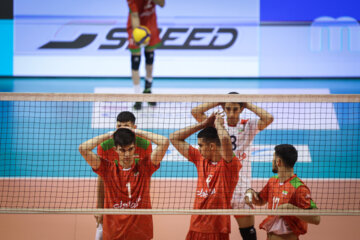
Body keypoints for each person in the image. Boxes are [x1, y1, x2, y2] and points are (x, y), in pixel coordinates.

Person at [191, 92, 274, 240]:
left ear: (241, 109)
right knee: (214, 230)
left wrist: (246, 103)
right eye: (228, 108)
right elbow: (195, 112)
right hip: (220, 185)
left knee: (248, 232)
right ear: (224, 108)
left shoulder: (249, 125)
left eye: (235, 109)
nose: (231, 113)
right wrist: (219, 101)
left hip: (241, 186)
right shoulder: (217, 124)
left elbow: (269, 118)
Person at [79, 127, 169, 240]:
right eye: (122, 150)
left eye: (130, 149)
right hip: (114, 235)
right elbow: (83, 148)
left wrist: (135, 131)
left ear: (135, 148)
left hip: (140, 235)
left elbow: (164, 142)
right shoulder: (107, 169)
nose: (127, 154)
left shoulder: (145, 167)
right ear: (115, 149)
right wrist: (110, 134)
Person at [170, 112, 241, 240]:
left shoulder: (229, 165)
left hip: (217, 229)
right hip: (195, 226)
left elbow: (224, 139)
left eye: (201, 145)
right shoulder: (200, 159)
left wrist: (219, 125)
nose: (199, 149)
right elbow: (174, 137)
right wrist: (203, 124)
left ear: (212, 146)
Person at [94, 111, 152, 239]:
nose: (122, 130)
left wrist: (145, 203)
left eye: (126, 127)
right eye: (119, 126)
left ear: (134, 128)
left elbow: (146, 176)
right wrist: (99, 207)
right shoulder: (105, 146)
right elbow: (101, 179)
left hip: (135, 194)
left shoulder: (145, 145)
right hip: (113, 195)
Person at [245, 144, 320, 240]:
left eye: (273, 159)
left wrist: (291, 208)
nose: (272, 162)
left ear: (278, 162)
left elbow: (316, 218)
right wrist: (250, 193)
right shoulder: (273, 181)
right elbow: (260, 200)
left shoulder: (299, 187)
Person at [126, 0, 165, 110]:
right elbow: (134, 15)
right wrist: (139, 34)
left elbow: (162, 4)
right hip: (136, 27)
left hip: (151, 25)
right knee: (136, 61)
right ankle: (137, 96)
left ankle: (148, 89)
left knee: (149, 59)